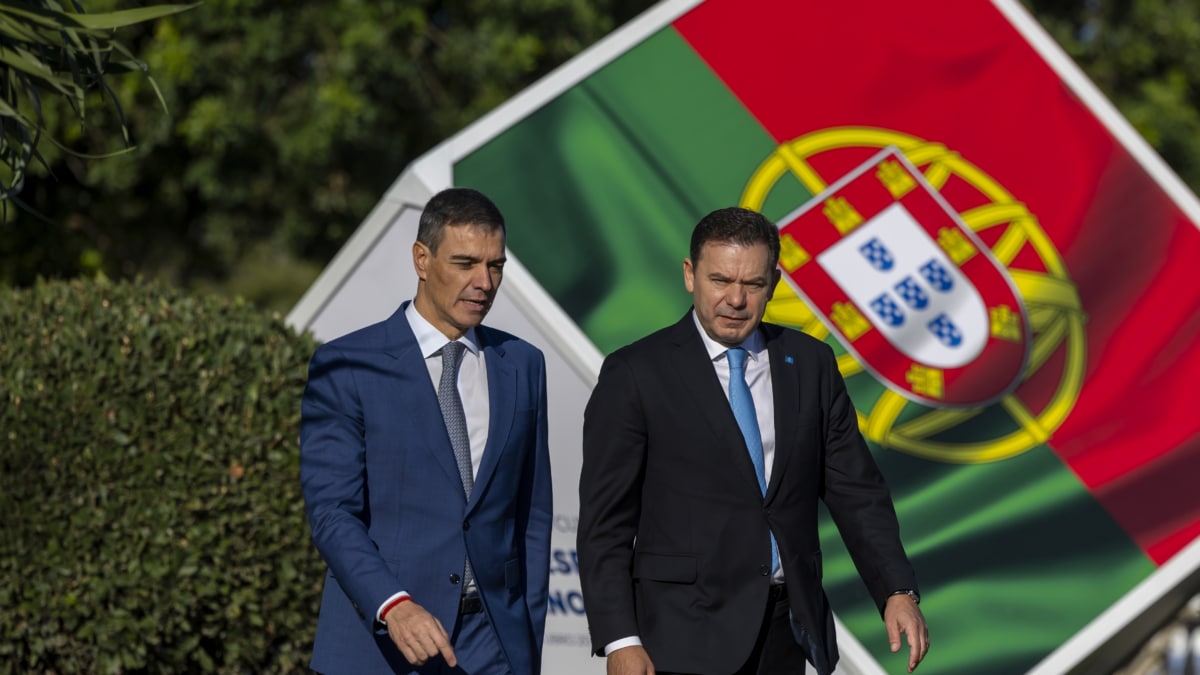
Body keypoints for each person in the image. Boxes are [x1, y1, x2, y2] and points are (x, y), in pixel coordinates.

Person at [577, 207, 929, 675]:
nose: (736, 300)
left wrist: (896, 591)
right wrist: (620, 638)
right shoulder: (636, 373)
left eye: (753, 284)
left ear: (775, 283)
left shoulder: (811, 364)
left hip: (785, 633)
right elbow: (606, 523)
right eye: (720, 280)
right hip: (678, 640)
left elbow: (856, 493)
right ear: (690, 275)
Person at [300, 187, 552, 674]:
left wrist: (526, 643)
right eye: (465, 263)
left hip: (493, 647)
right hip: (381, 646)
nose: (484, 282)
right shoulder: (348, 364)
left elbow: (532, 517)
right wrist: (393, 605)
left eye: (495, 266)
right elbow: (333, 513)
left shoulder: (522, 364)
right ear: (421, 258)